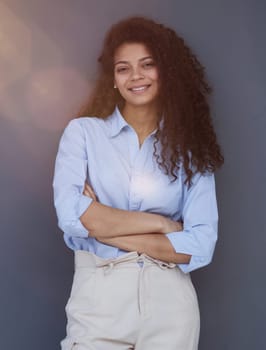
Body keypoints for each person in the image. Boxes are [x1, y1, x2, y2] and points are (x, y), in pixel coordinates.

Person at [53, 16, 224, 350]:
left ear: (166, 72)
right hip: (99, 299)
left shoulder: (191, 149)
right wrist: (162, 224)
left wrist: (102, 223)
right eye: (123, 68)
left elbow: (201, 243)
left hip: (170, 304)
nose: (136, 77)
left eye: (147, 64)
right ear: (113, 79)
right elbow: (72, 216)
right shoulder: (84, 134)